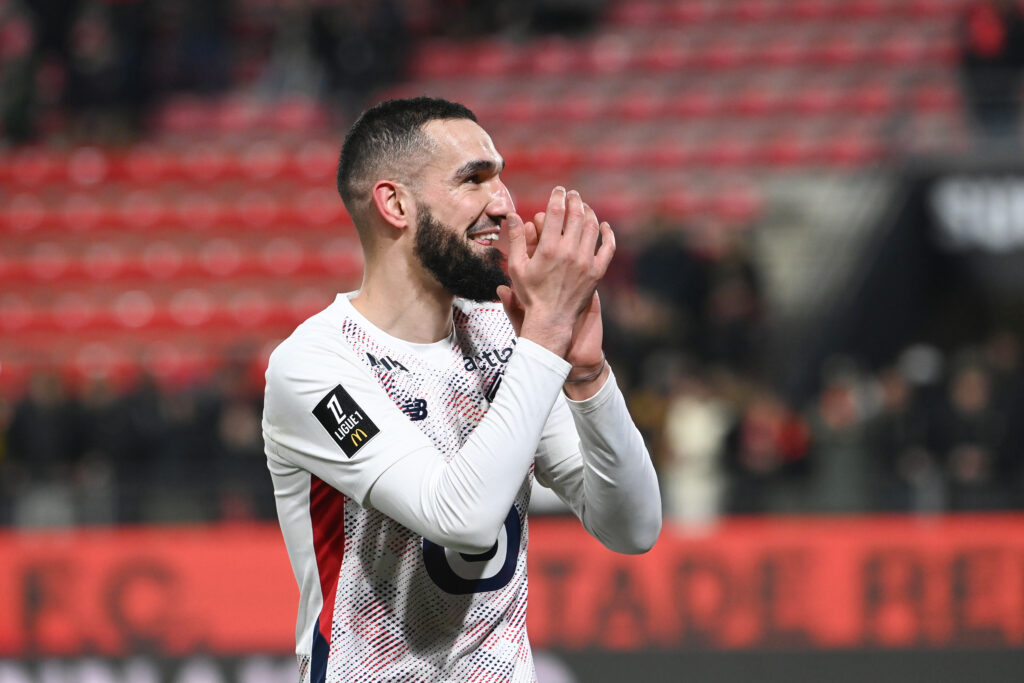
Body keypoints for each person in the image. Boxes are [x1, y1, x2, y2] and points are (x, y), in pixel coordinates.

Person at [262, 97, 661, 682]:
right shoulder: (315, 364)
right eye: (474, 179)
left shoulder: (506, 335)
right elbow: (457, 516)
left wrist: (587, 377)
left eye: (499, 178)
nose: (503, 203)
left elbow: (634, 527)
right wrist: (545, 337)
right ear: (395, 204)